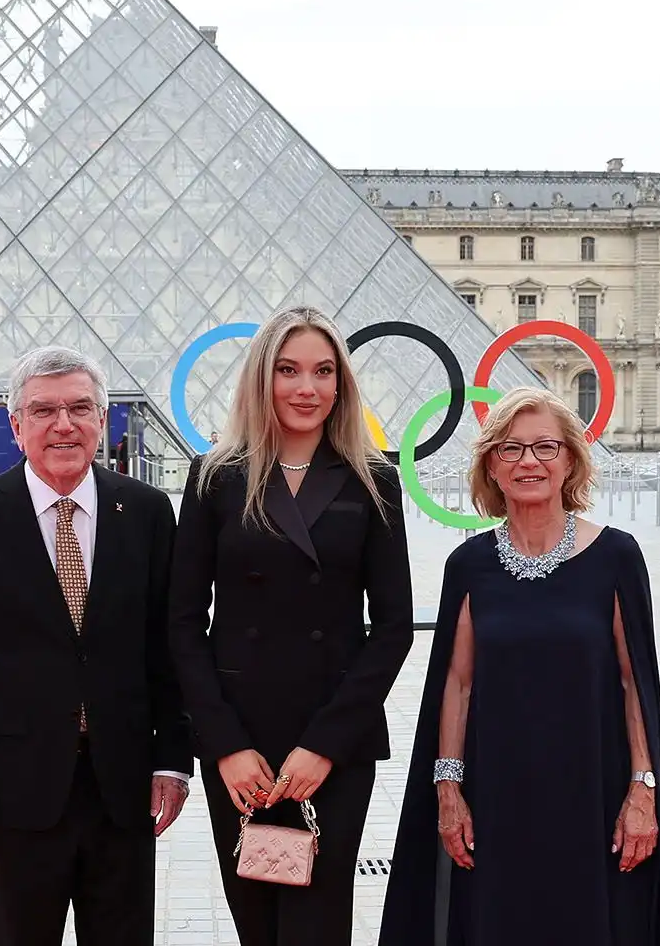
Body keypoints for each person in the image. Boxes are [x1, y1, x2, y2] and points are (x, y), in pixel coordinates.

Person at [379, 387, 660, 946]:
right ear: (491, 464)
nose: (528, 462)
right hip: (495, 797)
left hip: (593, 792)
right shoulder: (467, 565)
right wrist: (448, 790)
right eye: (510, 449)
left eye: (545, 447)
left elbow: (636, 683)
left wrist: (643, 789)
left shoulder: (615, 556)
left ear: (570, 461)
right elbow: (456, 684)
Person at [0, 346, 191, 946]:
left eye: (79, 408)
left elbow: (167, 650)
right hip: (9, 794)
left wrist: (173, 758)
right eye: (43, 411)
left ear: (103, 419)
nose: (63, 425)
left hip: (122, 789)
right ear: (16, 427)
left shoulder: (146, 513)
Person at [169, 306, 414, 946]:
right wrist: (222, 743)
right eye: (289, 370)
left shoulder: (374, 479)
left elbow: (392, 627)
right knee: (256, 923)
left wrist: (324, 745)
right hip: (240, 745)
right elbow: (183, 621)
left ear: (341, 384)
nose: (307, 388)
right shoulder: (217, 477)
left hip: (332, 746)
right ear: (261, 379)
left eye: (323, 371)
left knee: (318, 925)